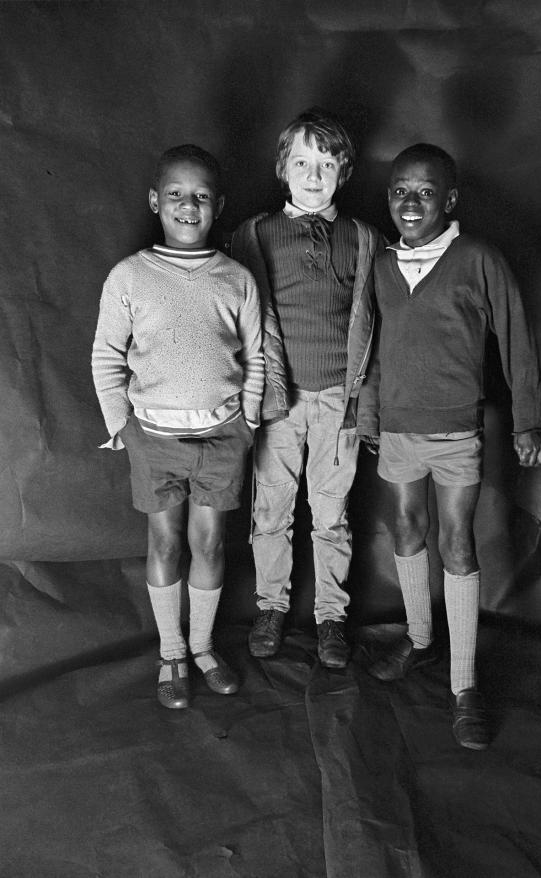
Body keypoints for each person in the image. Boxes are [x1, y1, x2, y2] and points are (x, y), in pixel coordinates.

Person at [359, 143, 541, 748]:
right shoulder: (381, 265)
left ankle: (464, 684)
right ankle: (419, 638)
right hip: (396, 426)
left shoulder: (477, 259)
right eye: (399, 191)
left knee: (456, 539)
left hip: (456, 430)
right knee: (408, 530)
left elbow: (516, 337)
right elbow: (370, 346)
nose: (410, 202)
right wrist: (367, 412)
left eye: (425, 191)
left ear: (451, 199)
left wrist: (527, 421)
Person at [92, 144, 263, 709]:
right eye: (175, 195)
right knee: (164, 541)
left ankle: (202, 645)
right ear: (154, 202)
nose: (187, 206)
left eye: (201, 197)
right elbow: (106, 355)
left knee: (209, 542)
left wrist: (250, 421)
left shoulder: (235, 278)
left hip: (221, 436)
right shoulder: (130, 276)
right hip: (154, 438)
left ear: (218, 207)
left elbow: (258, 357)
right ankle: (171, 652)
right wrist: (122, 423)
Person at [231, 108, 381, 669]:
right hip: (278, 399)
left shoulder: (364, 238)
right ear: (282, 168)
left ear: (343, 170)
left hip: (337, 402)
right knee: (270, 508)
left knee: (331, 512)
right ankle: (271, 606)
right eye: (301, 162)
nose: (312, 175)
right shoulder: (255, 234)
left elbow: (377, 323)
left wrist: (364, 401)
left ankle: (331, 617)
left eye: (325, 163)